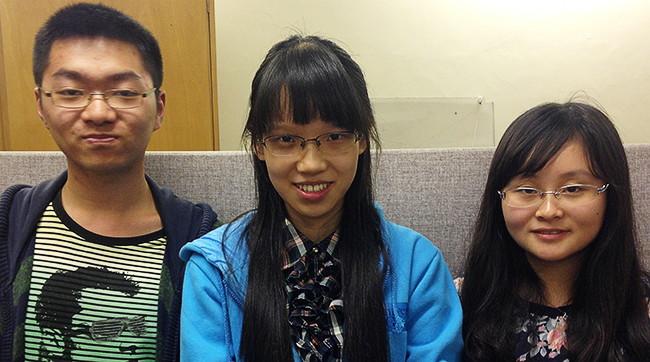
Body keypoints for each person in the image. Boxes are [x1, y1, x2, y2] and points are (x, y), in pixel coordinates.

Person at [179, 35, 463, 362]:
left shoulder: (417, 265)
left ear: (362, 139)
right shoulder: (214, 269)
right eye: (286, 138)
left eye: (334, 136)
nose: (311, 164)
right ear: (259, 145)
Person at [0, 3, 219, 362]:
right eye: (71, 92)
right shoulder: (8, 228)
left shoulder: (203, 243)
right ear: (41, 104)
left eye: (124, 92)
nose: (99, 112)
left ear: (159, 107)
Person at [460, 101, 650, 361]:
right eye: (527, 190)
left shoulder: (643, 304)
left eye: (573, 189)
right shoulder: (458, 301)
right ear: (500, 198)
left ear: (611, 196)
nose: (548, 211)